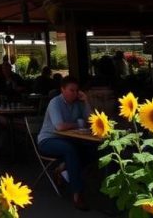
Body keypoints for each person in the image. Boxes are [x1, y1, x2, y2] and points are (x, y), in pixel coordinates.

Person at [36, 76, 92, 210]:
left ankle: (62, 169)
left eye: (76, 90)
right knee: (70, 150)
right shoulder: (55, 102)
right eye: (71, 90)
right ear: (62, 90)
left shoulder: (78, 103)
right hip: (48, 140)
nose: (74, 93)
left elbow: (91, 121)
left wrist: (86, 101)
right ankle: (77, 194)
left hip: (68, 140)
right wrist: (78, 125)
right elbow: (59, 127)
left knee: (91, 149)